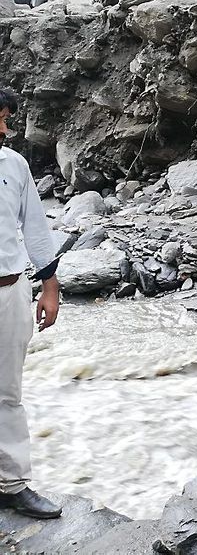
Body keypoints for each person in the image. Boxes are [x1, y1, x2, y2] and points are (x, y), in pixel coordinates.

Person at [0, 87, 62, 519]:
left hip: (9, 291)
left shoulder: (14, 165)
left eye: (6, 118)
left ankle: (12, 483)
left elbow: (35, 228)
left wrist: (50, 284)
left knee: (7, 393)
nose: (5, 129)